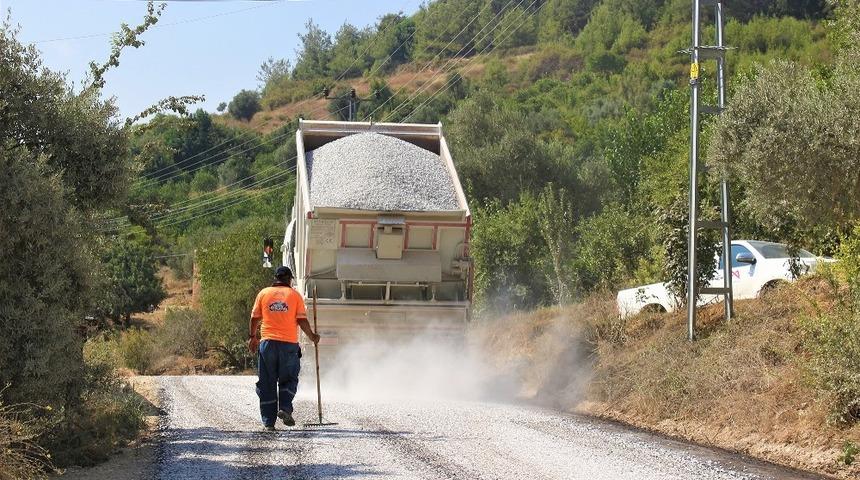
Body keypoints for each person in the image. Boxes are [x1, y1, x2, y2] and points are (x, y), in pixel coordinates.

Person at [248, 266, 320, 431]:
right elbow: (301, 320)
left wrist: (252, 337)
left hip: (267, 345)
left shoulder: (263, 293)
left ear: (276, 278)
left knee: (267, 383)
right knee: (289, 379)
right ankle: (285, 408)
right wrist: (312, 336)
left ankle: (268, 423)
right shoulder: (295, 296)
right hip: (288, 345)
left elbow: (254, 318)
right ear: (289, 279)